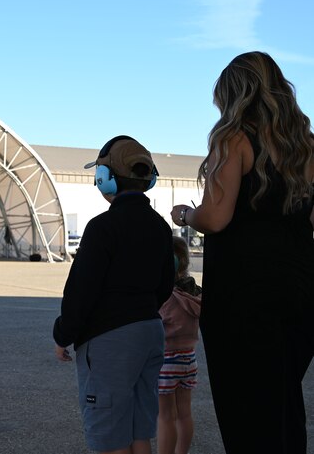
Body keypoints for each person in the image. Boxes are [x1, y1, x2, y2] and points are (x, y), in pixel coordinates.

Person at [171, 51, 314, 454]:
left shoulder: (233, 139)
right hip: (301, 291)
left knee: (247, 411)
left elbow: (215, 219)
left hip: (245, 297)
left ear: (234, 96)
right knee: (285, 403)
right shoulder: (306, 146)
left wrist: (185, 213)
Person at [54, 135, 175, 454]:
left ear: (105, 179)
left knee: (110, 437)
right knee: (138, 431)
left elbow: (81, 291)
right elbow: (166, 285)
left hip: (111, 342)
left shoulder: (102, 227)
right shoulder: (161, 227)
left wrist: (63, 333)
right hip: (149, 332)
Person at [157, 236, 202, 454]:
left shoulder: (165, 295)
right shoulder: (194, 292)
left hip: (166, 360)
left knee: (165, 415)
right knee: (184, 413)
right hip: (188, 358)